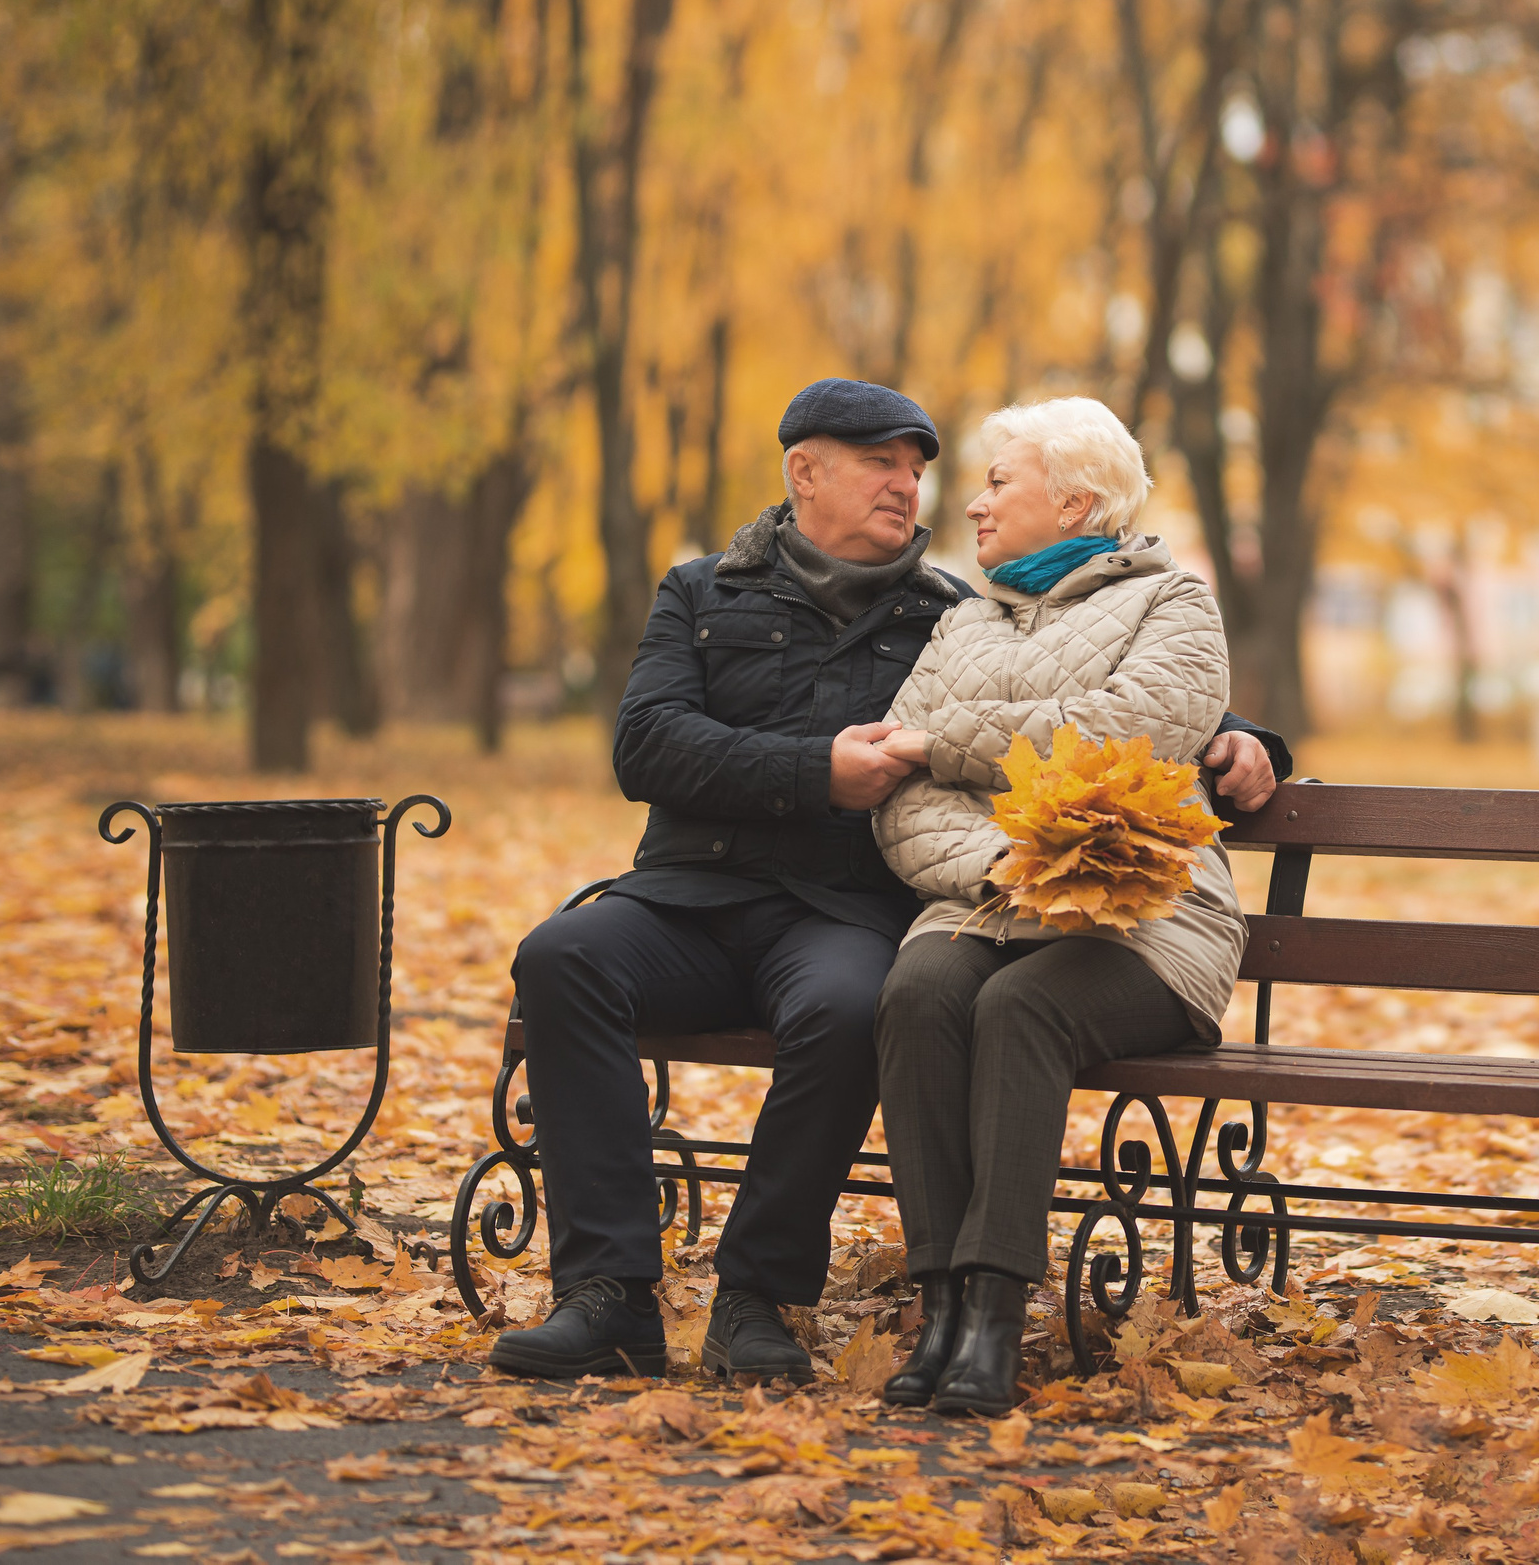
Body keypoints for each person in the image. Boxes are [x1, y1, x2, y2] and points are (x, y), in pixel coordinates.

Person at [486, 379, 1288, 1383]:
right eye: (880, 465)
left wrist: (1245, 740)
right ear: (803, 473)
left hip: (839, 914)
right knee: (562, 958)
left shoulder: (948, 609)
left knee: (855, 1003)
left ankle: (757, 1297)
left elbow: (1111, 679)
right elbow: (645, 746)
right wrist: (815, 770)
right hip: (690, 899)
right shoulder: (701, 591)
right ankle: (605, 1296)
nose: (909, 488)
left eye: (918, 470)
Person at [866, 396, 1248, 1416]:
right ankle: (939, 1301)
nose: (975, 506)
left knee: (1019, 1007)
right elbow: (896, 791)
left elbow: (1116, 733)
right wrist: (1010, 862)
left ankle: (994, 1314)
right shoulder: (961, 621)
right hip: (986, 901)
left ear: (1075, 496)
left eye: (999, 482)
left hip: (1148, 923)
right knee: (918, 989)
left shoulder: (1175, 604)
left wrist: (945, 739)